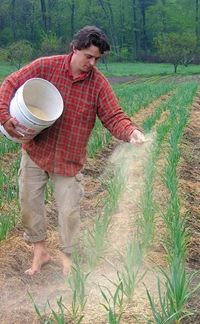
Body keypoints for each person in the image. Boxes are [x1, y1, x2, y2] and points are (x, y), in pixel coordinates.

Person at [0, 26, 145, 276]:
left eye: (97, 59)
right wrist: (4, 116)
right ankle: (40, 253)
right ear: (74, 49)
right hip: (36, 150)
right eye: (88, 56)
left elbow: (113, 115)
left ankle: (68, 258)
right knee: (29, 202)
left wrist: (131, 132)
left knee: (69, 211)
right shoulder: (46, 66)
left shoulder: (98, 84)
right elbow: (11, 82)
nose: (92, 63)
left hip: (69, 158)